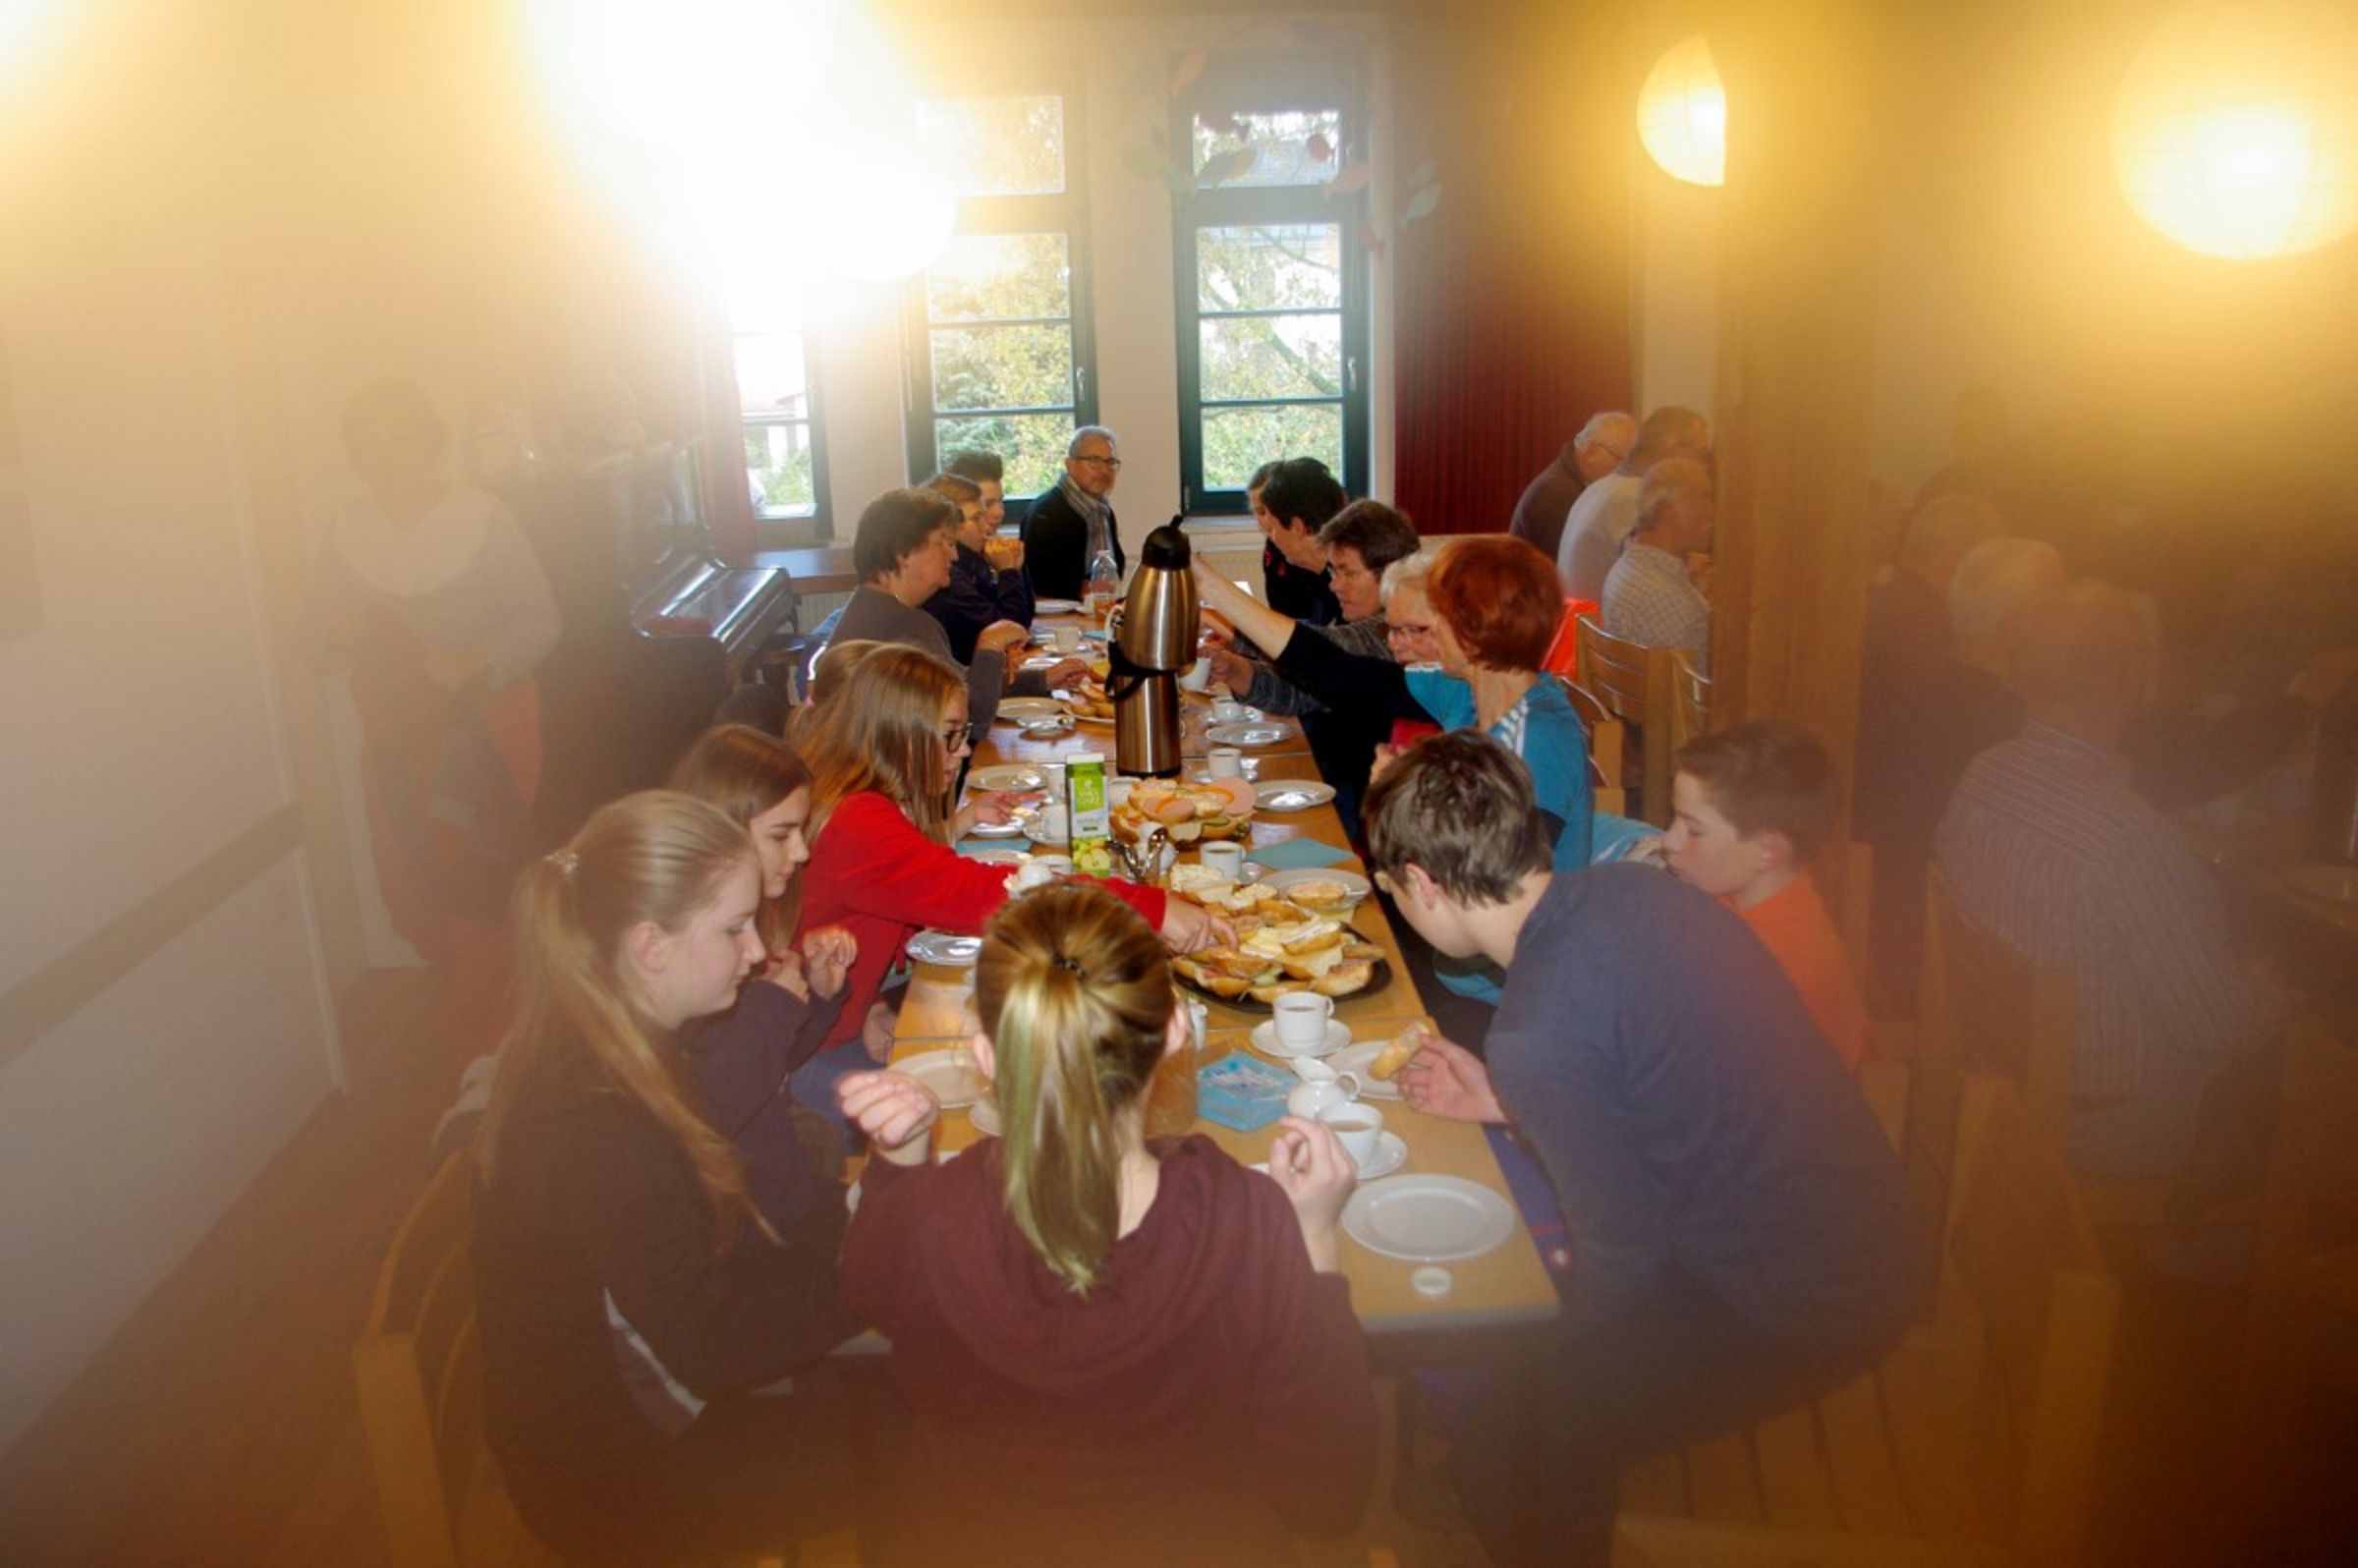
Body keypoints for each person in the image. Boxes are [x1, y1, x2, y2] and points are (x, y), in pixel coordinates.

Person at [1362, 734, 1920, 1567]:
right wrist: (1513, 1103)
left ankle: (1508, 1473)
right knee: (1509, 1397)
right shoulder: (1631, 891)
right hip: (1863, 1226)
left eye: (1390, 887)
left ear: (1424, 883)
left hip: (1799, 1296)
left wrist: (1544, 1374)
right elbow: (1650, 1080)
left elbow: (1623, 1258)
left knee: (1516, 1443)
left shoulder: (1537, 1034)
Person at [836, 883, 1377, 1566]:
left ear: (986, 1055)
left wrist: (897, 1161)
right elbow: (1327, 1497)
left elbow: (869, 1284)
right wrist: (1315, 1239)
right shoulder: (1248, 1222)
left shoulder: (926, 1218)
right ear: (1175, 1030)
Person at [470, 792, 866, 1565]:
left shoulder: (628, 1045)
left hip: (654, 1403)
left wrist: (864, 1226)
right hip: (619, 1473)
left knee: (921, 1367)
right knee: (934, 1432)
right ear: (650, 946)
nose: (758, 950)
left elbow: (719, 1254)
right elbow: (712, 1348)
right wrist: (887, 1270)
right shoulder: (593, 1122)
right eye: (734, 928)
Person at [1935, 580, 2291, 1178]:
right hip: (2104, 1129)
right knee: (2312, 1059)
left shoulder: (1985, 774)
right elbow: (2217, 1029)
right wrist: (2270, 993)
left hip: (1995, 1081)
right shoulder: (2129, 836)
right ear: (2133, 674)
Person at [789, 645, 1225, 1103]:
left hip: (837, 1023)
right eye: (950, 736)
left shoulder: (855, 801)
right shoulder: (859, 824)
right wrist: (1151, 909)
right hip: (814, 1057)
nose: (963, 751)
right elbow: (1003, 896)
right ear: (896, 734)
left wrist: (870, 1004)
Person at [309, 377, 562, 1069]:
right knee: (415, 885)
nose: (388, 458)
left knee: (485, 887)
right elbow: (316, 644)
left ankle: (503, 1049)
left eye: (401, 442)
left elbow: (541, 621)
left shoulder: (483, 517)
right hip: (399, 740)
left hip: (490, 733)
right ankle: (477, 1031)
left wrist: (476, 658)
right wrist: (336, 633)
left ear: (429, 444)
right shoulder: (346, 532)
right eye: (371, 446)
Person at [1194, 534, 1593, 868]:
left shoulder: (1540, 735)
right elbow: (1339, 673)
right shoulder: (1459, 688)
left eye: (1441, 614)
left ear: (1476, 630)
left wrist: (1404, 798)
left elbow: (1501, 879)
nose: (1431, 626)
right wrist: (1209, 586)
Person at [667, 725, 867, 1222]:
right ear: (724, 831)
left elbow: (774, 1063)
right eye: (781, 835)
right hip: (745, 1216)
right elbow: (709, 1109)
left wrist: (815, 995)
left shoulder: (754, 924)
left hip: (780, 1183)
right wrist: (775, 1007)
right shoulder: (690, 960)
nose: (801, 853)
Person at [1851, 503, 2018, 1014]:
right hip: (1901, 923)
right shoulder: (1933, 644)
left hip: (1870, 863)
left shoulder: (1882, 604)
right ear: (1952, 560)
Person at [1206, 500, 1421, 838]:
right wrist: (1236, 670)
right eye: (1334, 571)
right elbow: (1302, 688)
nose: (1334, 585)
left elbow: (1318, 655)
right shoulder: (1366, 625)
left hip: (1368, 815)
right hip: (1349, 797)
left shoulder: (1390, 640)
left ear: (1392, 573)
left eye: (1348, 572)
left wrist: (1218, 611)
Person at [1665, 722, 1871, 1069]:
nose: (1670, 841)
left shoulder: (1770, 970)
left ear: (1766, 852)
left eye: (1694, 831)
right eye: (1675, 819)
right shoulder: (1748, 894)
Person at [829, 488, 1082, 742]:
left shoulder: (872, 609)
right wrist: (991, 644)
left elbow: (963, 685)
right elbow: (970, 721)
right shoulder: (906, 628)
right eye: (943, 543)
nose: (954, 555)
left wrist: (1042, 679)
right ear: (904, 553)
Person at [1557, 404, 1711, 601]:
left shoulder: (1603, 485)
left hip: (1587, 615)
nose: (1703, 465)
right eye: (1701, 453)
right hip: (1605, 617)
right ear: (1673, 448)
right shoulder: (1632, 497)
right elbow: (1661, 578)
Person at [1600, 456, 1713, 672]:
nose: (1712, 511)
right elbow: (1693, 689)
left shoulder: (1628, 565)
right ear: (1666, 510)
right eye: (1703, 500)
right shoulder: (1670, 601)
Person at [918, 471, 1035, 663]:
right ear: (949, 525)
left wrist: (1017, 566)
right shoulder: (948, 578)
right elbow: (1009, 630)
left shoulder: (972, 561)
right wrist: (1008, 571)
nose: (986, 527)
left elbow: (1024, 620)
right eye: (976, 518)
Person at [1508, 410, 1634, 567]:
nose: (1623, 471)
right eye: (1620, 460)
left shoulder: (1571, 481)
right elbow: (1580, 563)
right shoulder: (1557, 495)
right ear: (1591, 452)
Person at [1022, 425, 1126, 601]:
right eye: (1094, 461)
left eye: (1110, 462)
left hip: (1097, 609)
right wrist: (1081, 588)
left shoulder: (1102, 510)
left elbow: (1114, 567)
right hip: (1056, 613)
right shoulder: (1045, 513)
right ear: (1070, 465)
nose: (1104, 470)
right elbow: (1036, 578)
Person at [1248, 456, 1348, 632]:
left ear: (1296, 526)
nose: (1271, 537)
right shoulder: (1328, 569)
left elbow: (1322, 643)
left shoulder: (1347, 585)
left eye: (1273, 528)